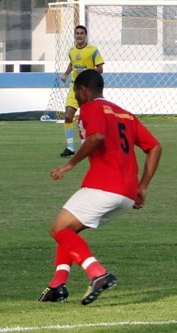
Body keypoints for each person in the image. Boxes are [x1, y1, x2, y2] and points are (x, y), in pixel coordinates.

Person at [38, 69, 162, 305]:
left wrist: (70, 164)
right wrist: (142, 186)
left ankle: (98, 274)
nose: (75, 96)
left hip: (104, 185)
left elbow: (96, 137)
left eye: (75, 91)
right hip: (126, 194)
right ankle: (57, 285)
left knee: (58, 230)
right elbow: (155, 147)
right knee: (68, 231)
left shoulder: (90, 108)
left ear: (83, 90)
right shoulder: (126, 114)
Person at [60, 25, 104, 158]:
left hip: (89, 89)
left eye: (82, 33)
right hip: (75, 87)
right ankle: (70, 147)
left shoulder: (93, 50)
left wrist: (85, 72)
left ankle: (88, 145)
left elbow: (100, 69)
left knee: (89, 118)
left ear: (85, 35)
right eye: (77, 33)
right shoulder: (72, 50)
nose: (79, 35)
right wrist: (65, 74)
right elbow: (72, 64)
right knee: (68, 116)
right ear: (74, 35)